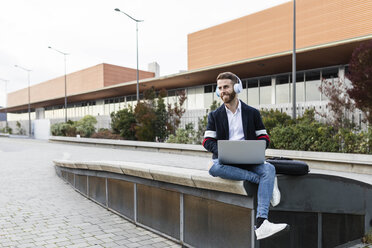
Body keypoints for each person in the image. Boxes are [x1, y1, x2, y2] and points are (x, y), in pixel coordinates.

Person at [202, 72, 288, 240]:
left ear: (237, 87)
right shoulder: (215, 115)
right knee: (212, 167)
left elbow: (264, 137)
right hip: (225, 159)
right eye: (219, 88)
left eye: (225, 87)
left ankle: (262, 223)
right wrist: (225, 150)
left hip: (249, 159)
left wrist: (254, 148)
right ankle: (262, 181)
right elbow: (207, 141)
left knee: (268, 168)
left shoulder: (252, 113)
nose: (222, 91)